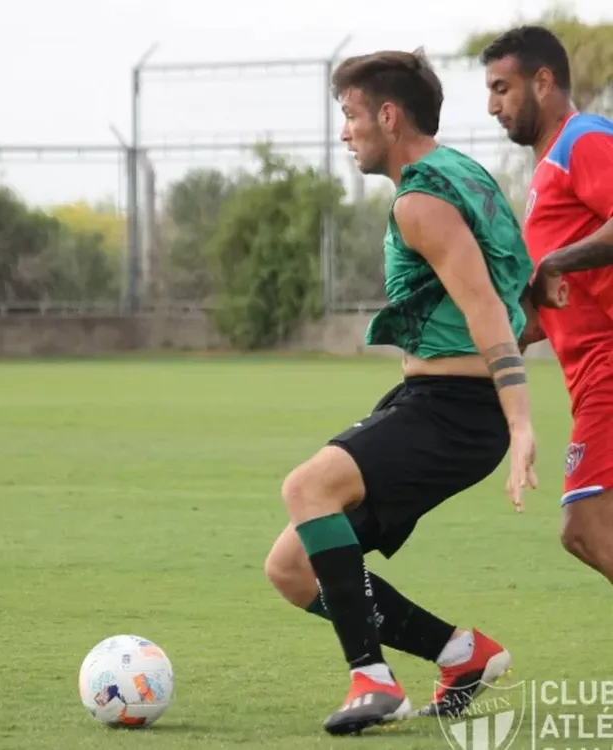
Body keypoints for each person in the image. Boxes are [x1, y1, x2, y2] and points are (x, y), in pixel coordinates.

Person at [263, 49, 538, 736]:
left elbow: (483, 307)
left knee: (307, 487)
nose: (346, 131)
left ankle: (372, 677)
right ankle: (462, 654)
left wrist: (520, 420)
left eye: (352, 115)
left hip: (454, 413)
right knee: (293, 567)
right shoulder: (467, 177)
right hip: (434, 407)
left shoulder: (421, 200)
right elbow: (517, 291)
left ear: (388, 115)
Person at [479, 26, 613, 583]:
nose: (492, 106)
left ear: (543, 81)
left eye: (502, 88)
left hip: (608, 367)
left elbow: (560, 267)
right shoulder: (549, 166)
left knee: (583, 526)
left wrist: (553, 262)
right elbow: (555, 298)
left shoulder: (582, 139)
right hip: (589, 374)